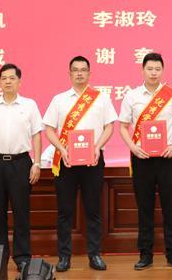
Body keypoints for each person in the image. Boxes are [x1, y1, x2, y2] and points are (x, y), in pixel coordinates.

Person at [43, 56, 117, 272]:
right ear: (69, 74)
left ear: (89, 73)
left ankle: (94, 255)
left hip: (93, 160)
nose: (79, 74)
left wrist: (97, 147)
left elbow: (109, 127)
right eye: (75, 70)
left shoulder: (101, 99)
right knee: (65, 211)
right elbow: (49, 129)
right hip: (66, 161)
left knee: (93, 209)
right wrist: (62, 149)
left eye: (83, 70)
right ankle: (64, 257)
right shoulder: (59, 100)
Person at [118, 52, 172, 270]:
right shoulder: (132, 96)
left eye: (157, 69)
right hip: (142, 158)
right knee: (145, 208)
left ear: (162, 70)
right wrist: (133, 147)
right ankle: (145, 254)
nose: (154, 73)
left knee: (170, 207)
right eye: (150, 69)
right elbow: (123, 126)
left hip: (167, 157)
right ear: (142, 70)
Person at [0, 63, 43, 271]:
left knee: (21, 212)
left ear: (19, 81)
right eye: (4, 78)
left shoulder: (29, 105)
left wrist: (36, 163)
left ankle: (22, 258)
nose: (8, 82)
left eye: (12, 78)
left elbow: (37, 135)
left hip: (21, 163)